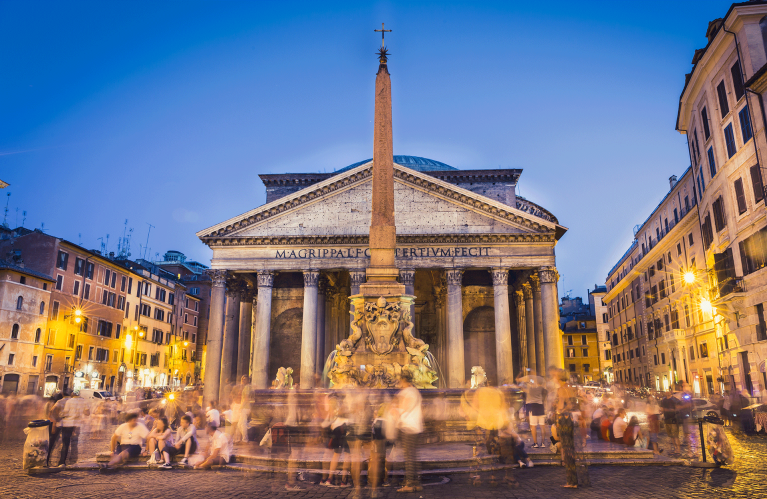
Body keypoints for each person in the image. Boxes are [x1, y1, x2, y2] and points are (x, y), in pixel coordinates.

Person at [394, 371, 423, 493]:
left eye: (400, 380)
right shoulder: (415, 391)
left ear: (404, 380)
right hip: (416, 426)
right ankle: (416, 483)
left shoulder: (406, 392)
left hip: (407, 426)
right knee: (413, 456)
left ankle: (409, 484)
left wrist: (395, 412)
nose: (399, 383)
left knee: (409, 456)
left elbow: (404, 407)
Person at [51, 389, 89, 467]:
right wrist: (80, 412)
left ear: (72, 394)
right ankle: (73, 461)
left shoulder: (69, 401)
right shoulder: (84, 401)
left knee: (66, 443)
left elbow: (65, 413)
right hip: (77, 424)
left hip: (68, 424)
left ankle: (62, 462)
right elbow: (87, 413)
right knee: (75, 443)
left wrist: (60, 416)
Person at [518, 374, 547, 448]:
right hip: (541, 407)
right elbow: (545, 399)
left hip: (533, 408)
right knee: (542, 426)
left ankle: (535, 443)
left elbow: (522, 389)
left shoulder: (531, 389)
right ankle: (543, 443)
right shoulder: (544, 390)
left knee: (533, 426)